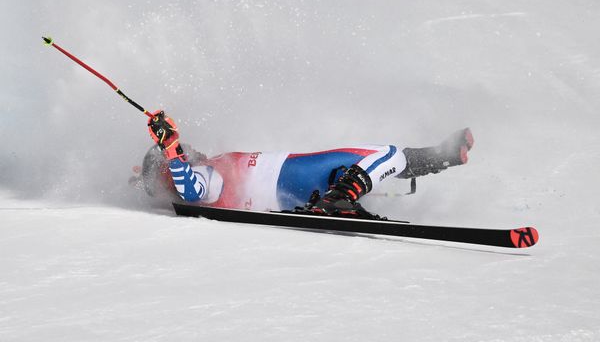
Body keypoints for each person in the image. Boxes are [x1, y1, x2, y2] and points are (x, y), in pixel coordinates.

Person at [140, 110, 474, 219]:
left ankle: (441, 154)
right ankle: (338, 198)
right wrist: (169, 149)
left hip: (301, 181)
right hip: (299, 177)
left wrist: (172, 150)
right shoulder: (199, 176)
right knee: (387, 154)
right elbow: (195, 191)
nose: (187, 149)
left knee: (383, 158)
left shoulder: (206, 164)